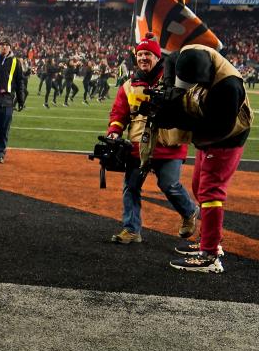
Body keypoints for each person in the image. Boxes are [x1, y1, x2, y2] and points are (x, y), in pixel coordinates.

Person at [149, 44, 253, 273]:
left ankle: (210, 255)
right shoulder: (189, 52)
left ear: (204, 77)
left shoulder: (228, 87)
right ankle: (209, 240)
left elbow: (217, 128)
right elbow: (170, 59)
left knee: (210, 191)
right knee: (198, 186)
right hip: (211, 134)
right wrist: (169, 87)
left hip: (227, 137)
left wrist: (176, 118)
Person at [105, 36, 198, 245]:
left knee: (169, 185)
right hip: (139, 145)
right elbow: (118, 114)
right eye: (140, 54)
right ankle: (131, 230)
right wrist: (114, 132)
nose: (143, 58)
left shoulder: (173, 80)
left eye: (148, 54)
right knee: (131, 187)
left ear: (157, 57)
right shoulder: (128, 85)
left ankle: (189, 211)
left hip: (169, 144)